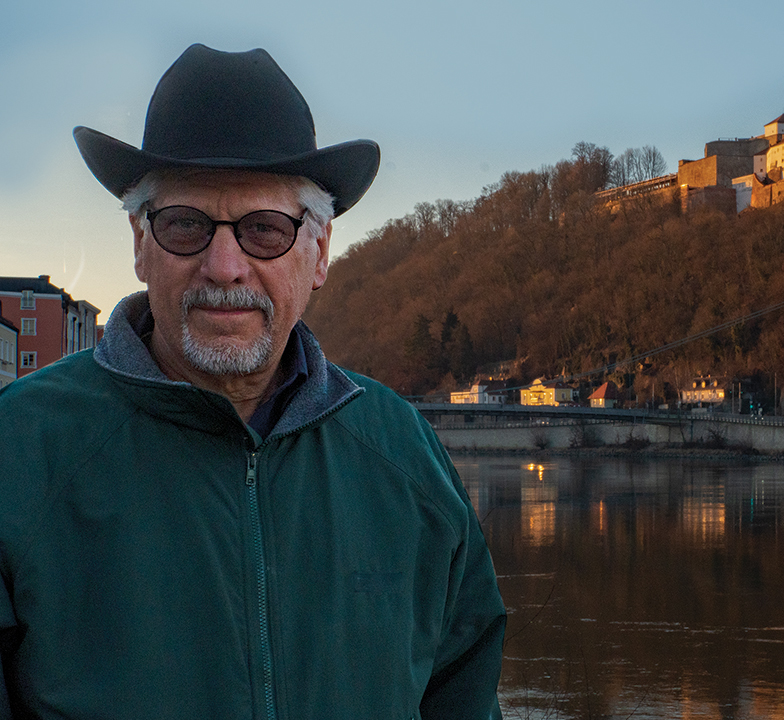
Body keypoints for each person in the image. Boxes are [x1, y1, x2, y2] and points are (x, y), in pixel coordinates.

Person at [0, 44, 505, 718]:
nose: (225, 266)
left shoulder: (403, 455)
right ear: (140, 244)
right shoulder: (20, 450)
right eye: (185, 225)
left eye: (264, 231)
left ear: (318, 253)